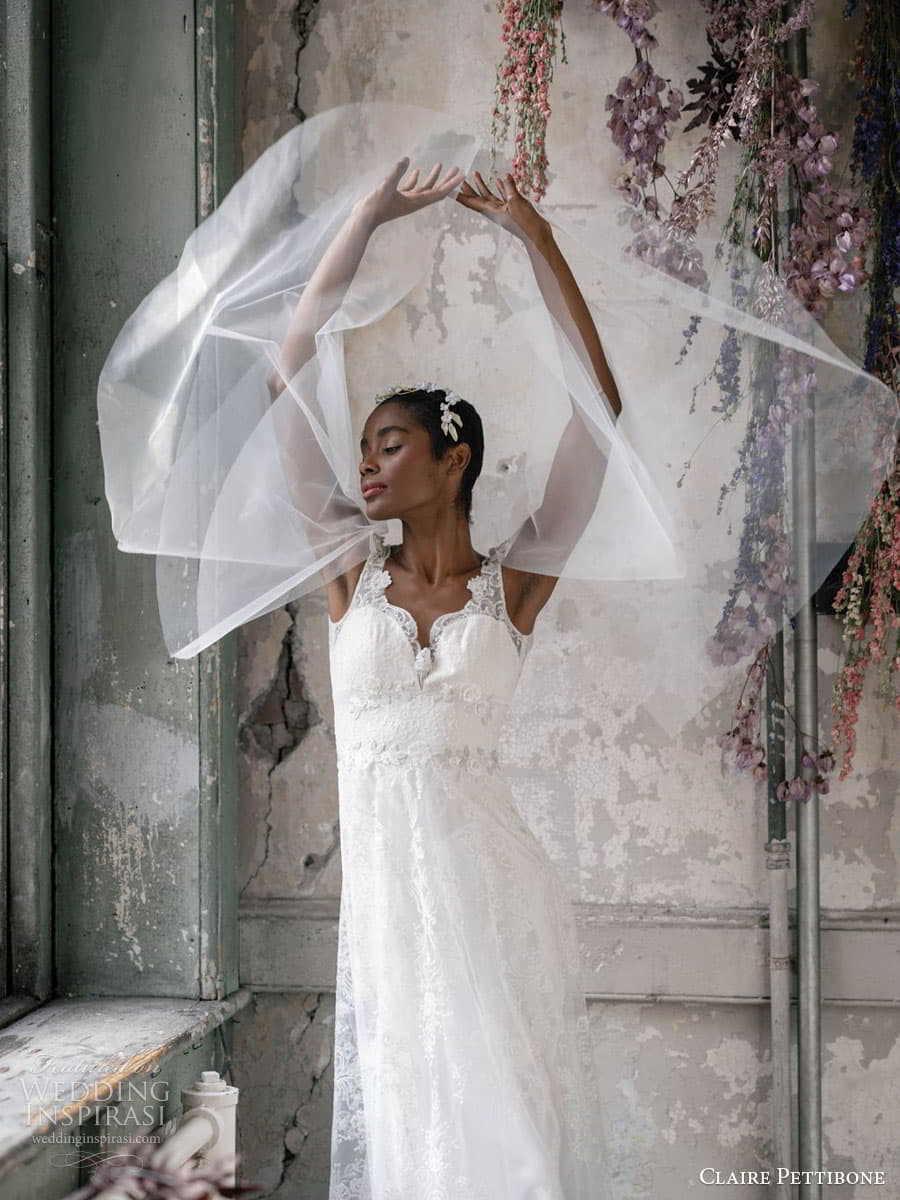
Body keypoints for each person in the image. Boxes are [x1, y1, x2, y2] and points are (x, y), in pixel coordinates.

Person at [264, 159, 616, 1198]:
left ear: (451, 457)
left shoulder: (513, 589)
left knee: (517, 1157)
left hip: (496, 908)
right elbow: (286, 376)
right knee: (422, 1155)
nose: (365, 467)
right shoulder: (347, 577)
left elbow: (601, 422)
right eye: (364, 448)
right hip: (391, 928)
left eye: (390, 444)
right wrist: (368, 215)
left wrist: (536, 241)